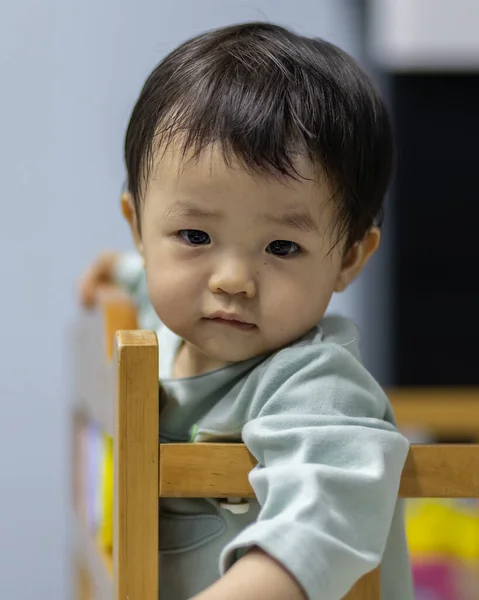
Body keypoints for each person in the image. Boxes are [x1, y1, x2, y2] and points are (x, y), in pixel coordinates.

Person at [79, 22, 413, 600]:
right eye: (194, 235)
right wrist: (119, 272)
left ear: (349, 258)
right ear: (139, 228)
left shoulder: (314, 387)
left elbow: (321, 515)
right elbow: (147, 281)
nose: (232, 281)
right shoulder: (165, 322)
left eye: (282, 248)